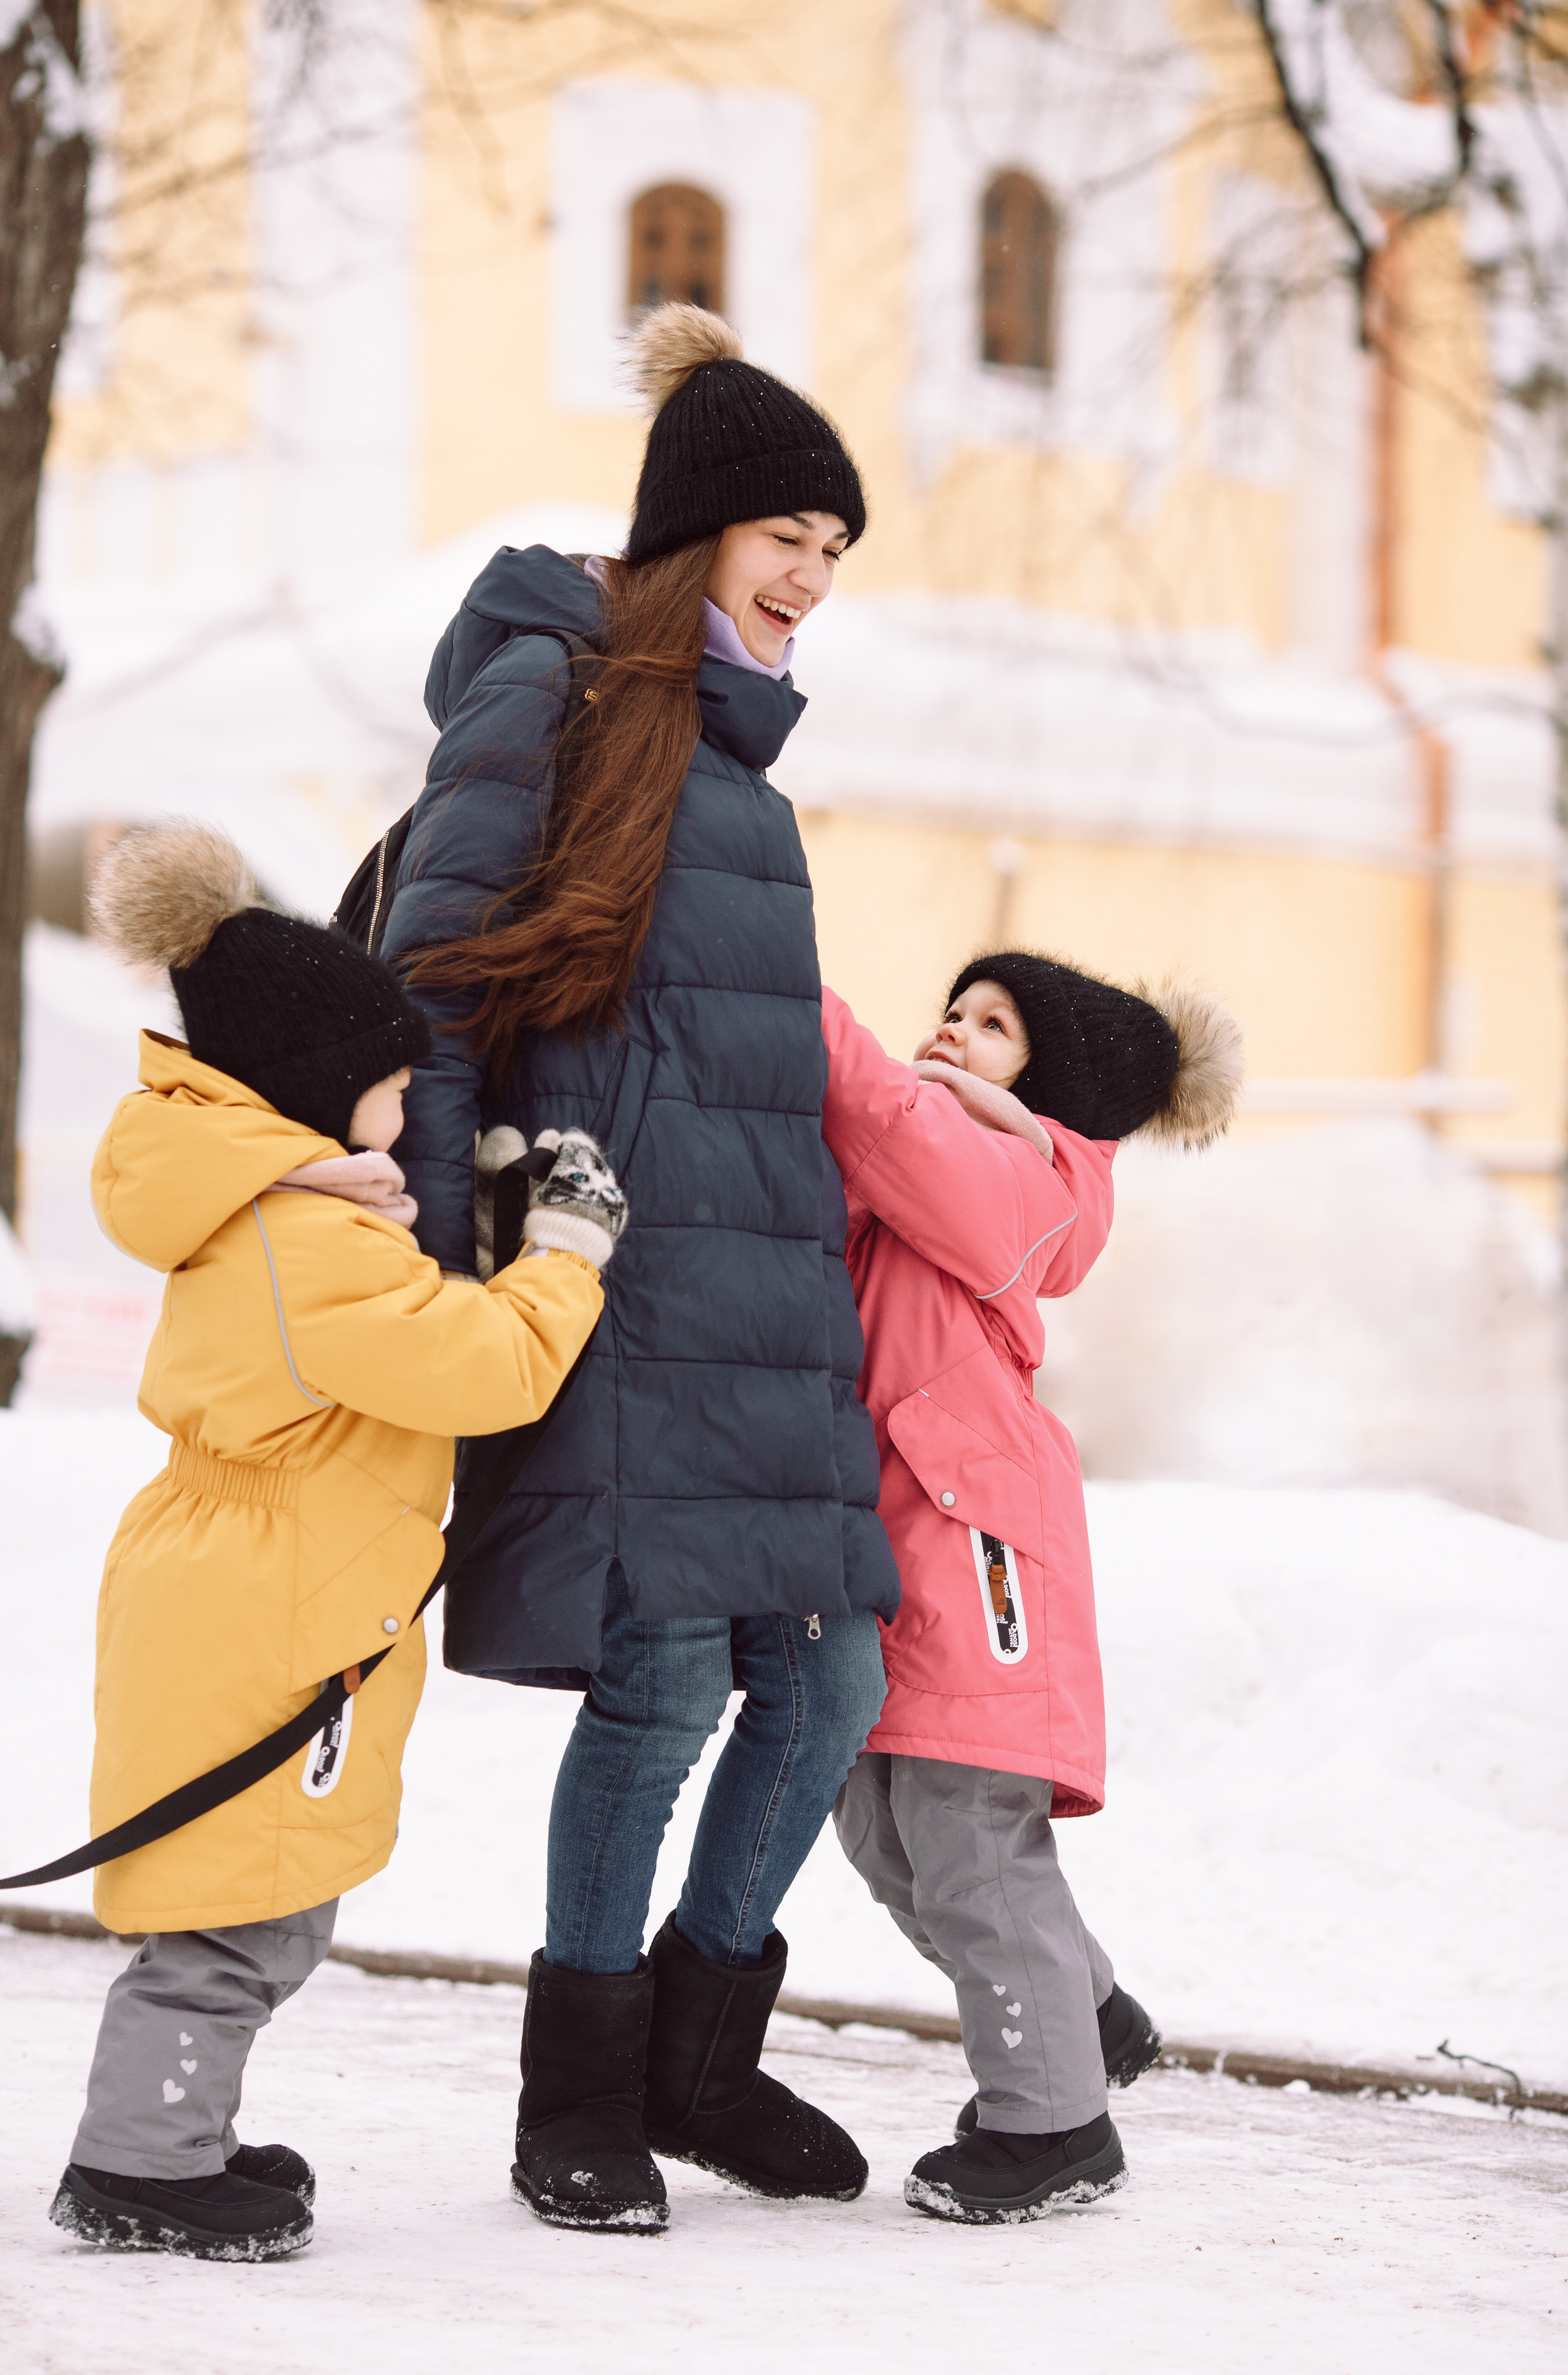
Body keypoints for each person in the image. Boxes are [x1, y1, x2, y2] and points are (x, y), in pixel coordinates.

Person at [381, 303, 900, 2235]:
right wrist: (449, 1262)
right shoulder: (556, 694)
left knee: (832, 1677)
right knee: (667, 1685)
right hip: (615, 1286)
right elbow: (437, 989)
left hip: (768, 1305)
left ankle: (702, 2061)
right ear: (699, 531)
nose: (814, 578)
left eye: (838, 552)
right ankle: (580, 2093)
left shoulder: (746, 778)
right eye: (791, 535)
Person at [49, 823, 623, 2262]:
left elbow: (407, 1334)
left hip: (257, 1578)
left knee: (254, 1891)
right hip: (268, 1599)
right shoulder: (308, 1248)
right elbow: (483, 1369)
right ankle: (140, 2168)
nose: (413, 1086)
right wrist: (561, 1256)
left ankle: (175, 2137)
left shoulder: (290, 1218)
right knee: (240, 1913)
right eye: (390, 1068)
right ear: (313, 1083)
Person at [822, 952, 1242, 2223]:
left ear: (1046, 1079)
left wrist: (774, 965)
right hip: (888, 1529)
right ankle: (1082, 2015)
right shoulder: (925, 1154)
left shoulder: (1039, 1179)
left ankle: (1053, 2123)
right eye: (951, 1010)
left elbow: (886, 1120)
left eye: (991, 1024)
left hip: (975, 1534)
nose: (952, 1030)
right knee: (878, 1827)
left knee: (962, 1823)